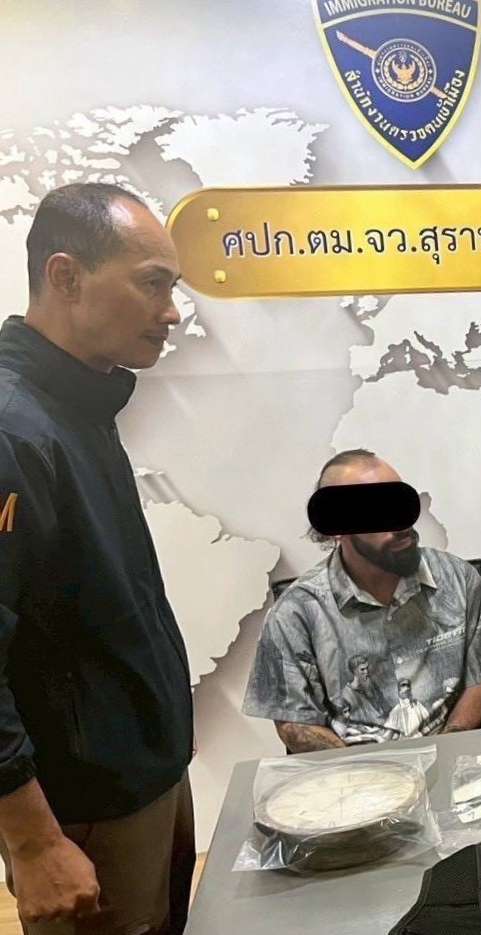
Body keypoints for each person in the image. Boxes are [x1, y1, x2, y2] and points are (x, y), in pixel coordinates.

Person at [0, 183, 194, 933]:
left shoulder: (81, 403)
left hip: (146, 775)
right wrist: (32, 840)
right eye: (153, 284)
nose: (172, 312)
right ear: (66, 277)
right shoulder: (14, 429)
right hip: (83, 809)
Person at [243, 450, 481, 751]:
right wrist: (366, 770)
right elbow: (295, 723)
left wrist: (445, 751)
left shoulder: (458, 579)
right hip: (351, 763)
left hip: (447, 750)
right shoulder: (296, 613)